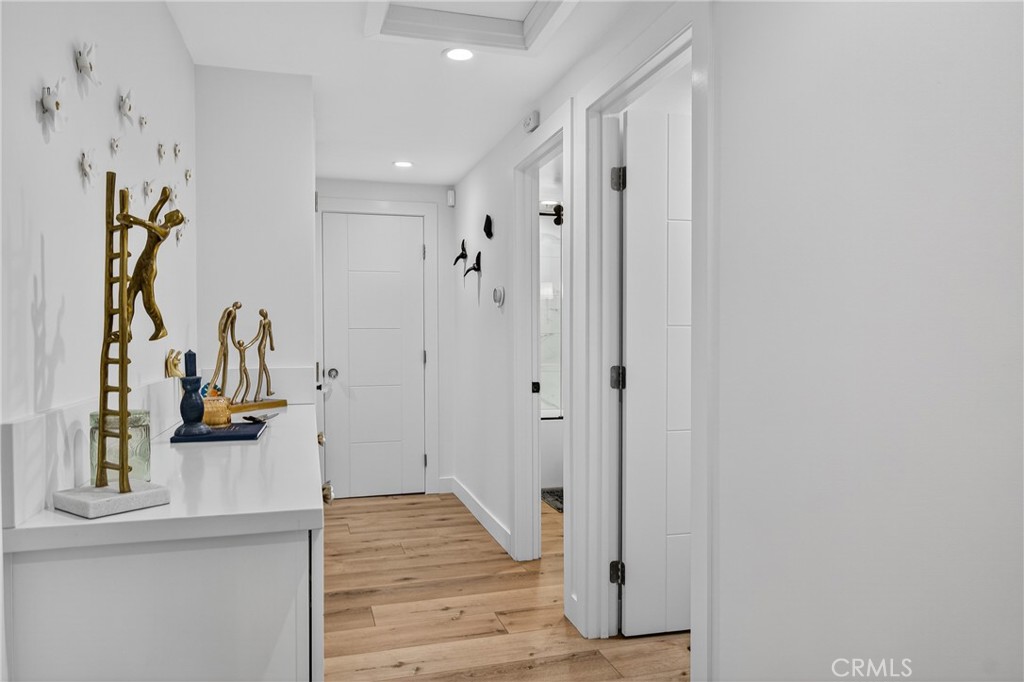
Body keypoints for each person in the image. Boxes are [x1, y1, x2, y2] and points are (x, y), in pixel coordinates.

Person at [120, 187, 183, 341]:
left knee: (148, 302)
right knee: (130, 294)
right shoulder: (160, 225)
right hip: (142, 262)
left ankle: (160, 327)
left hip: (149, 267)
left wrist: (133, 220)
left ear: (175, 219)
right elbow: (152, 216)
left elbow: (149, 225)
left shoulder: (165, 230)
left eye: (175, 213)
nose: (172, 211)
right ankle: (127, 329)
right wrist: (162, 199)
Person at [211, 302, 242, 395]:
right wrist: (220, 335)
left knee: (225, 363)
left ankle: (223, 392)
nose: (237, 305)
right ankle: (210, 391)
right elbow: (222, 321)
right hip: (223, 339)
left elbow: (232, 330)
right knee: (219, 364)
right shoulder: (229, 310)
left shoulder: (234, 314)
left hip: (225, 340)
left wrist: (235, 343)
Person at [252, 308, 275, 401]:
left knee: (264, 368)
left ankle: (268, 390)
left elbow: (270, 333)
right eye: (263, 313)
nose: (265, 313)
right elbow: (258, 335)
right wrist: (250, 343)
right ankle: (257, 395)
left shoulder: (269, 321)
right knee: (261, 370)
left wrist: (272, 345)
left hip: (264, 347)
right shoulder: (262, 322)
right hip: (261, 347)